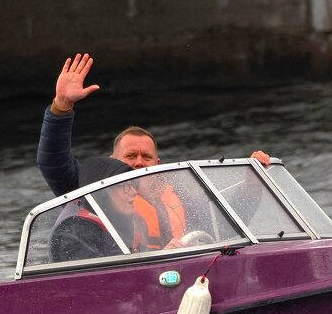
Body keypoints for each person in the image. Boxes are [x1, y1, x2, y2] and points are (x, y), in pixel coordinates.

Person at [37, 53, 270, 250]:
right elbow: (53, 162)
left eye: (146, 157)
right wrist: (62, 107)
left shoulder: (179, 196)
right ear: (112, 162)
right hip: (131, 285)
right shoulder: (94, 193)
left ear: (158, 163)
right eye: (130, 157)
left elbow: (220, 225)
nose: (139, 163)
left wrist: (250, 187)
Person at [49, 157, 148, 263]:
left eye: (132, 184)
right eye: (124, 185)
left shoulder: (136, 222)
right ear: (102, 193)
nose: (134, 192)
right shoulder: (72, 232)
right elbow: (98, 277)